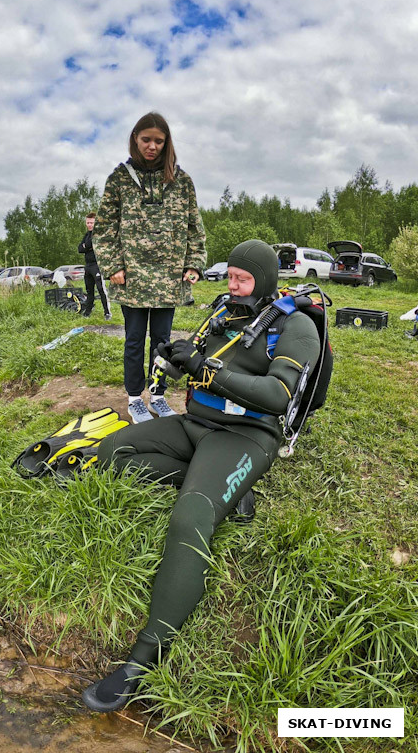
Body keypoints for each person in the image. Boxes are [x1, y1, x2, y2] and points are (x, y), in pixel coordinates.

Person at [82, 240, 321, 713]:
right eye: (229, 276)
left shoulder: (295, 327)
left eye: (242, 279)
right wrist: (175, 360)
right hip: (195, 425)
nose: (232, 285)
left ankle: (142, 660)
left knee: (190, 518)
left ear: (266, 280)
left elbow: (276, 396)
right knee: (112, 453)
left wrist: (205, 371)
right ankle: (223, 487)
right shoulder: (223, 313)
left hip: (245, 436)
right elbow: (196, 354)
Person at [93, 112, 206, 424]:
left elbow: (194, 228)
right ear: (135, 140)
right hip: (132, 279)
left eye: (159, 141)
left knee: (162, 341)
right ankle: (134, 399)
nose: (152, 146)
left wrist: (194, 263)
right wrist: (113, 266)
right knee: (133, 340)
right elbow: (102, 230)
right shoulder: (119, 179)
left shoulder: (182, 182)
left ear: (167, 143)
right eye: (146, 140)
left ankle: (157, 395)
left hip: (168, 279)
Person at [78, 212, 111, 320]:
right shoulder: (87, 235)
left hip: (97, 266)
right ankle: (88, 312)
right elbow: (80, 248)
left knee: (101, 289)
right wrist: (86, 246)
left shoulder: (98, 234)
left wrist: (86, 246)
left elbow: (88, 245)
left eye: (92, 222)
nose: (90, 225)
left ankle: (107, 313)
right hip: (87, 266)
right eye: (88, 222)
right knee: (89, 290)